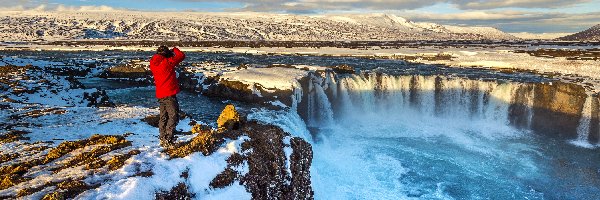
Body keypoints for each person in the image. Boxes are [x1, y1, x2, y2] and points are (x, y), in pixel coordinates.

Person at [149, 46, 186, 147]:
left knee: (163, 116)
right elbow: (181, 56)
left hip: (160, 94)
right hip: (169, 93)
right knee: (173, 115)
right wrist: (174, 49)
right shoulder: (167, 62)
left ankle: (163, 137)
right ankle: (169, 139)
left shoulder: (153, 63)